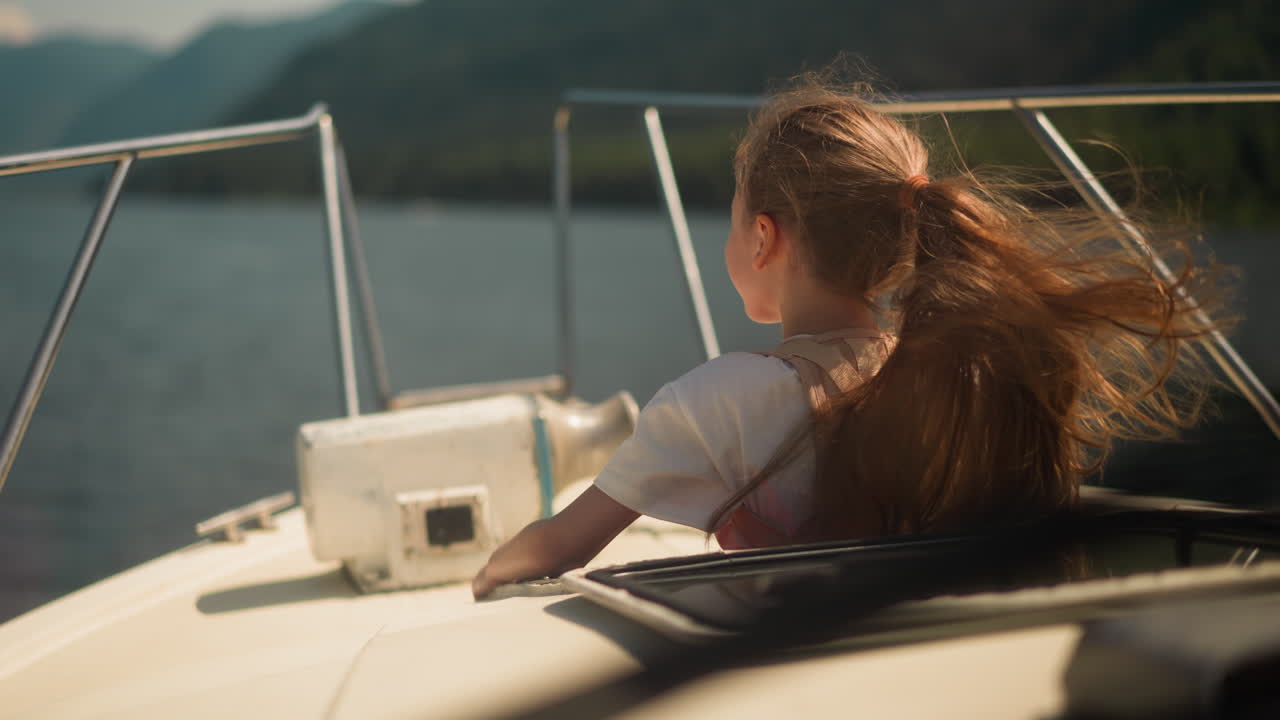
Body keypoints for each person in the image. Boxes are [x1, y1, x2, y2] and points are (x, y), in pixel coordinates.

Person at [471, 79, 1224, 600]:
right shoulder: (959, 381)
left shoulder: (714, 405)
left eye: (733, 218)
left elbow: (558, 549)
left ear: (763, 239)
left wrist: (485, 575)